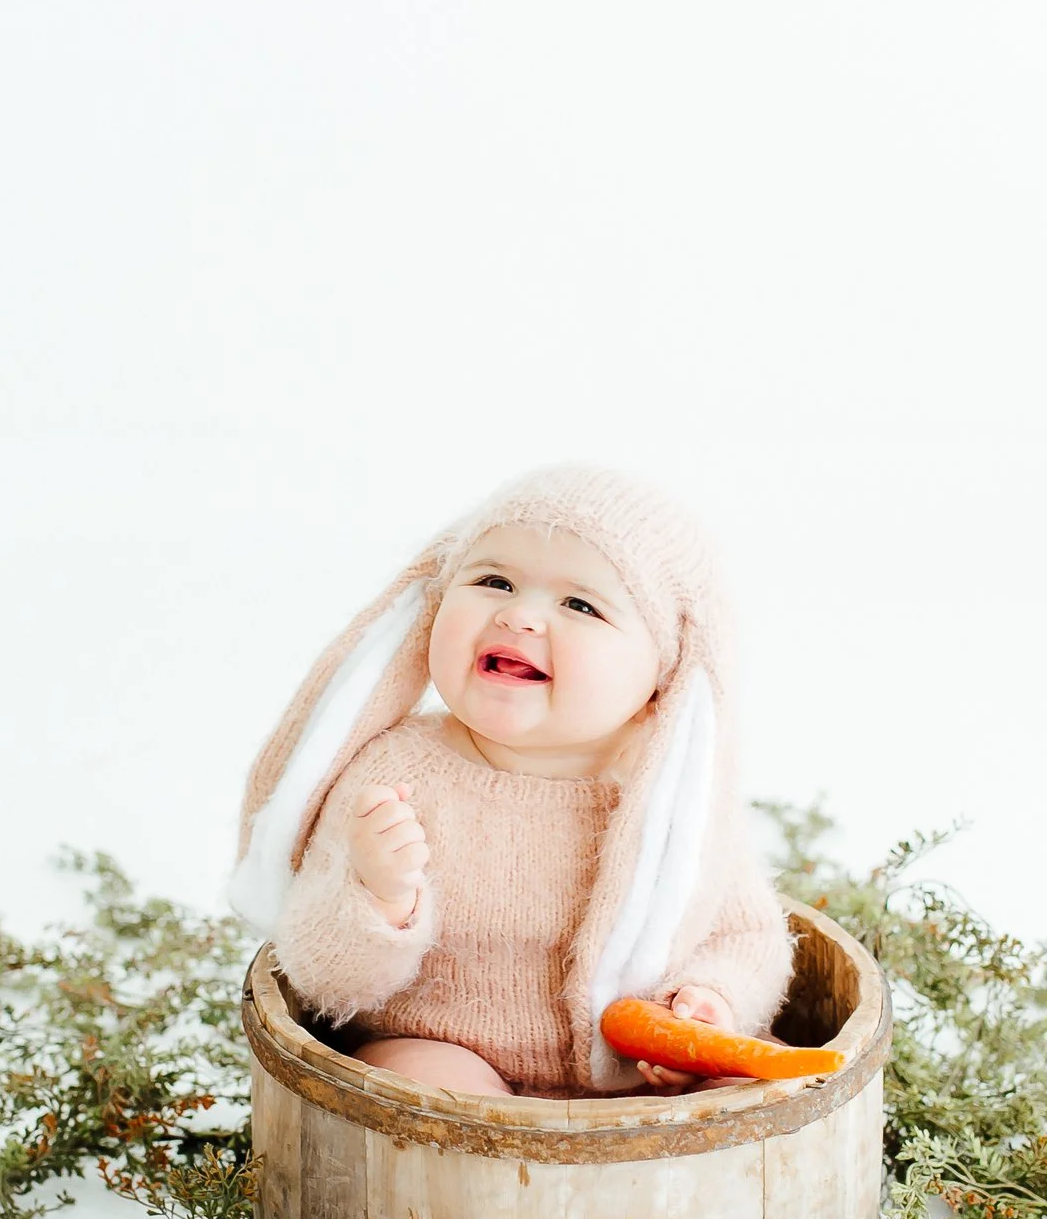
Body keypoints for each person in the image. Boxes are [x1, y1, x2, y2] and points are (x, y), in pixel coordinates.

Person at [227, 463, 794, 1098]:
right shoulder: (394, 775)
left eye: (580, 604)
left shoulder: (675, 801)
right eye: (494, 581)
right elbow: (323, 978)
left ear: (663, 679)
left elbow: (746, 935)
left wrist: (710, 1001)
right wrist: (380, 897)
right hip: (443, 1050)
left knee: (759, 1088)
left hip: (636, 1078)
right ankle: (474, 1143)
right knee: (422, 1082)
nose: (520, 616)